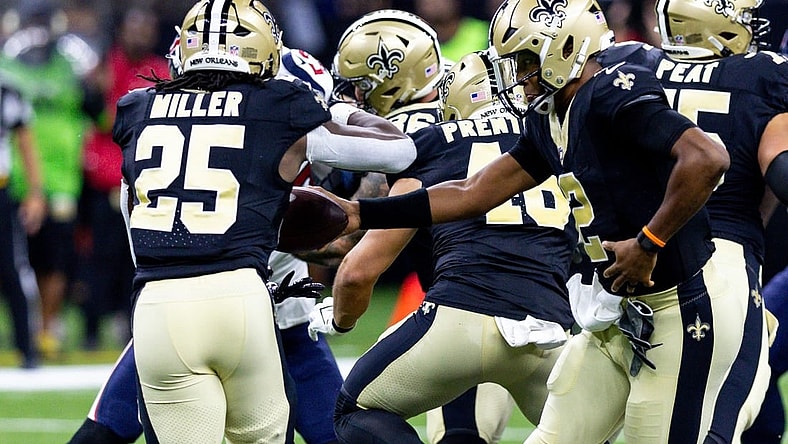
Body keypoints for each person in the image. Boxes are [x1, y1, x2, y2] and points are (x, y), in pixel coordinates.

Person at [313, 0, 764, 441]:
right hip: (611, 316)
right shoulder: (550, 117)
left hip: (677, 308)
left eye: (527, 60)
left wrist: (649, 243)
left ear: (565, 47)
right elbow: (473, 193)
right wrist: (361, 213)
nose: (519, 77)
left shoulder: (610, 88)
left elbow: (708, 157)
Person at [114, 0, 416, 441]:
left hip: (158, 303)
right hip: (241, 296)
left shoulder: (137, 107)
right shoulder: (278, 104)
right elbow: (399, 151)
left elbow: (132, 216)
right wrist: (333, 107)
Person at [68, 43, 348, 444]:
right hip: (205, 307)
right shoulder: (227, 136)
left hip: (284, 322)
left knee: (336, 434)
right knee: (101, 434)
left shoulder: (290, 124)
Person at [310, 50, 577, 444]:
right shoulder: (558, 138)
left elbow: (358, 270)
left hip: (458, 318)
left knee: (353, 409)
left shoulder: (435, 142)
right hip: (550, 326)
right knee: (589, 426)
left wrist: (340, 320)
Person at [594, 0, 787, 441]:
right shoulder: (765, 75)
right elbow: (779, 170)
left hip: (632, 265)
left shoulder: (631, 67)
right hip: (722, 264)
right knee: (724, 411)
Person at [328, 10, 516, 443]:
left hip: (464, 307)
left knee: (356, 409)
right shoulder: (480, 106)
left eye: (362, 85)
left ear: (392, 79)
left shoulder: (407, 140)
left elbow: (357, 249)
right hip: (548, 305)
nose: (355, 97)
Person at [1, 0, 98, 360]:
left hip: (60, 177)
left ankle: (46, 327)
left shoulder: (73, 64)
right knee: (19, 260)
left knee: (55, 258)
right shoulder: (6, 65)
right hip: (13, 177)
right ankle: (26, 327)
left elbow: (96, 110)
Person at [79, 7, 170, 350]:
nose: (141, 33)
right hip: (104, 178)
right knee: (97, 258)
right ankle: (90, 330)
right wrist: (95, 91)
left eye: (147, 27)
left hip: (146, 181)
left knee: (136, 260)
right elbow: (102, 119)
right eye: (135, 26)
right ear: (123, 30)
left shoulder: (159, 70)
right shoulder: (104, 66)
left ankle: (131, 326)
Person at [0, 79, 46, 369]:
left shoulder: (7, 93)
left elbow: (26, 142)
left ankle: (28, 348)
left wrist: (35, 193)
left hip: (1, 192)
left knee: (13, 270)